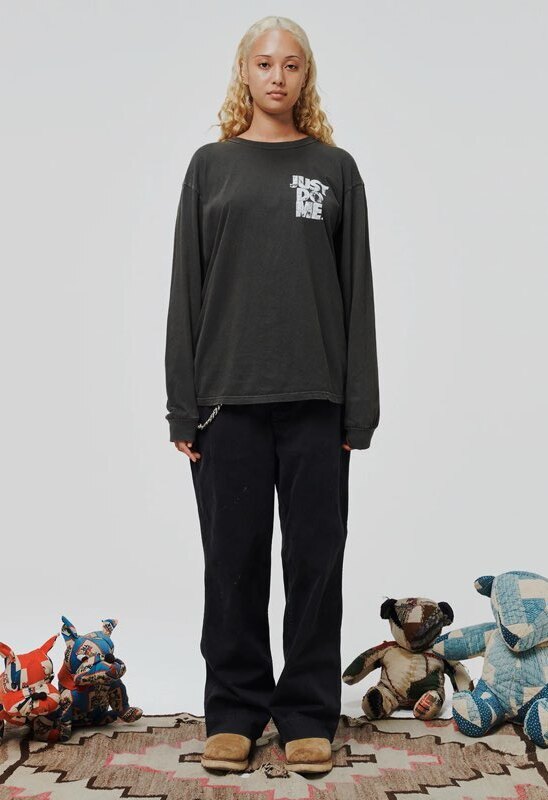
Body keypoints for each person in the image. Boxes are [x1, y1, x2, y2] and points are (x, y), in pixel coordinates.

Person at [164, 15, 380, 775]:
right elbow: (186, 291)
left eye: (291, 64)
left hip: (318, 401)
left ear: (305, 75)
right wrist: (182, 406)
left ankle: (308, 715)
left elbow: (357, 295)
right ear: (244, 73)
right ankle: (233, 712)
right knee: (232, 564)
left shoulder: (334, 170)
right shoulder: (210, 167)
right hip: (226, 403)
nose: (277, 76)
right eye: (264, 63)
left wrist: (360, 408)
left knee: (315, 565)